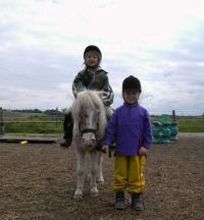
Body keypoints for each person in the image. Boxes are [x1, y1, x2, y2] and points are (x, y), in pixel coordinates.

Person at [102, 75, 152, 211]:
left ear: (139, 94)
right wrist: (107, 142)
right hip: (121, 151)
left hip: (137, 152)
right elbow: (111, 129)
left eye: (134, 93)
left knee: (136, 175)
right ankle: (119, 196)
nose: (131, 96)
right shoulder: (117, 113)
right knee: (120, 174)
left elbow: (148, 132)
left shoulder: (143, 113)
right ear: (123, 94)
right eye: (127, 93)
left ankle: (136, 197)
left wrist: (145, 146)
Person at [60, 45, 114, 147]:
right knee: (68, 113)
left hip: (99, 102)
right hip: (83, 101)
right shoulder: (81, 74)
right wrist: (83, 96)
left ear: (98, 60)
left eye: (94, 57)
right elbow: (76, 86)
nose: (92, 59)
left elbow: (107, 89)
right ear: (85, 60)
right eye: (89, 57)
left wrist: (102, 100)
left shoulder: (103, 75)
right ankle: (67, 137)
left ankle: (110, 140)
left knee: (112, 115)